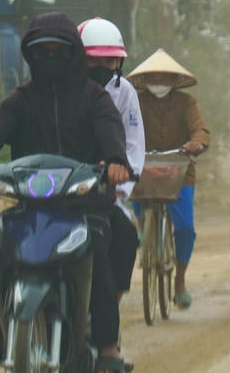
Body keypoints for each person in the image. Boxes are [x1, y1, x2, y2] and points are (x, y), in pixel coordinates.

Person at [0, 12, 132, 373]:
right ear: (30, 56)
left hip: (85, 204)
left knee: (100, 248)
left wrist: (116, 161)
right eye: (42, 53)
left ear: (73, 54)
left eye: (58, 51)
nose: (50, 59)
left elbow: (110, 130)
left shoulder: (95, 97)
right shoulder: (20, 99)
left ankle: (107, 346)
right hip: (30, 205)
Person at [126, 48, 210, 310]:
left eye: (165, 78)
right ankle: (145, 232)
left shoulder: (187, 103)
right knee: (138, 216)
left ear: (174, 81)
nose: (159, 82)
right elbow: (120, 126)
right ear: (145, 80)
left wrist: (196, 143)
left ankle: (180, 280)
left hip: (179, 170)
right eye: (154, 77)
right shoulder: (135, 102)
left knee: (185, 228)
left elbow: (200, 129)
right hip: (142, 168)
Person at [78, 17, 145, 306]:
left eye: (110, 61)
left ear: (118, 63)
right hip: (60, 186)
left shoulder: (125, 92)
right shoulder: (62, 90)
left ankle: (110, 311)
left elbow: (133, 142)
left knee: (126, 235)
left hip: (104, 189)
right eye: (94, 61)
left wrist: (121, 178)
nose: (102, 68)